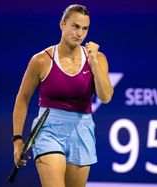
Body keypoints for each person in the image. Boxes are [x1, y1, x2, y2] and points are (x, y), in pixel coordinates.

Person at [12, 4, 113, 187]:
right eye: (75, 26)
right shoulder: (41, 60)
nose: (79, 33)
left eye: (84, 28)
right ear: (62, 25)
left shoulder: (98, 59)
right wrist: (17, 140)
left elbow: (105, 97)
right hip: (48, 129)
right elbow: (23, 98)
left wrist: (94, 63)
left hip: (82, 130)